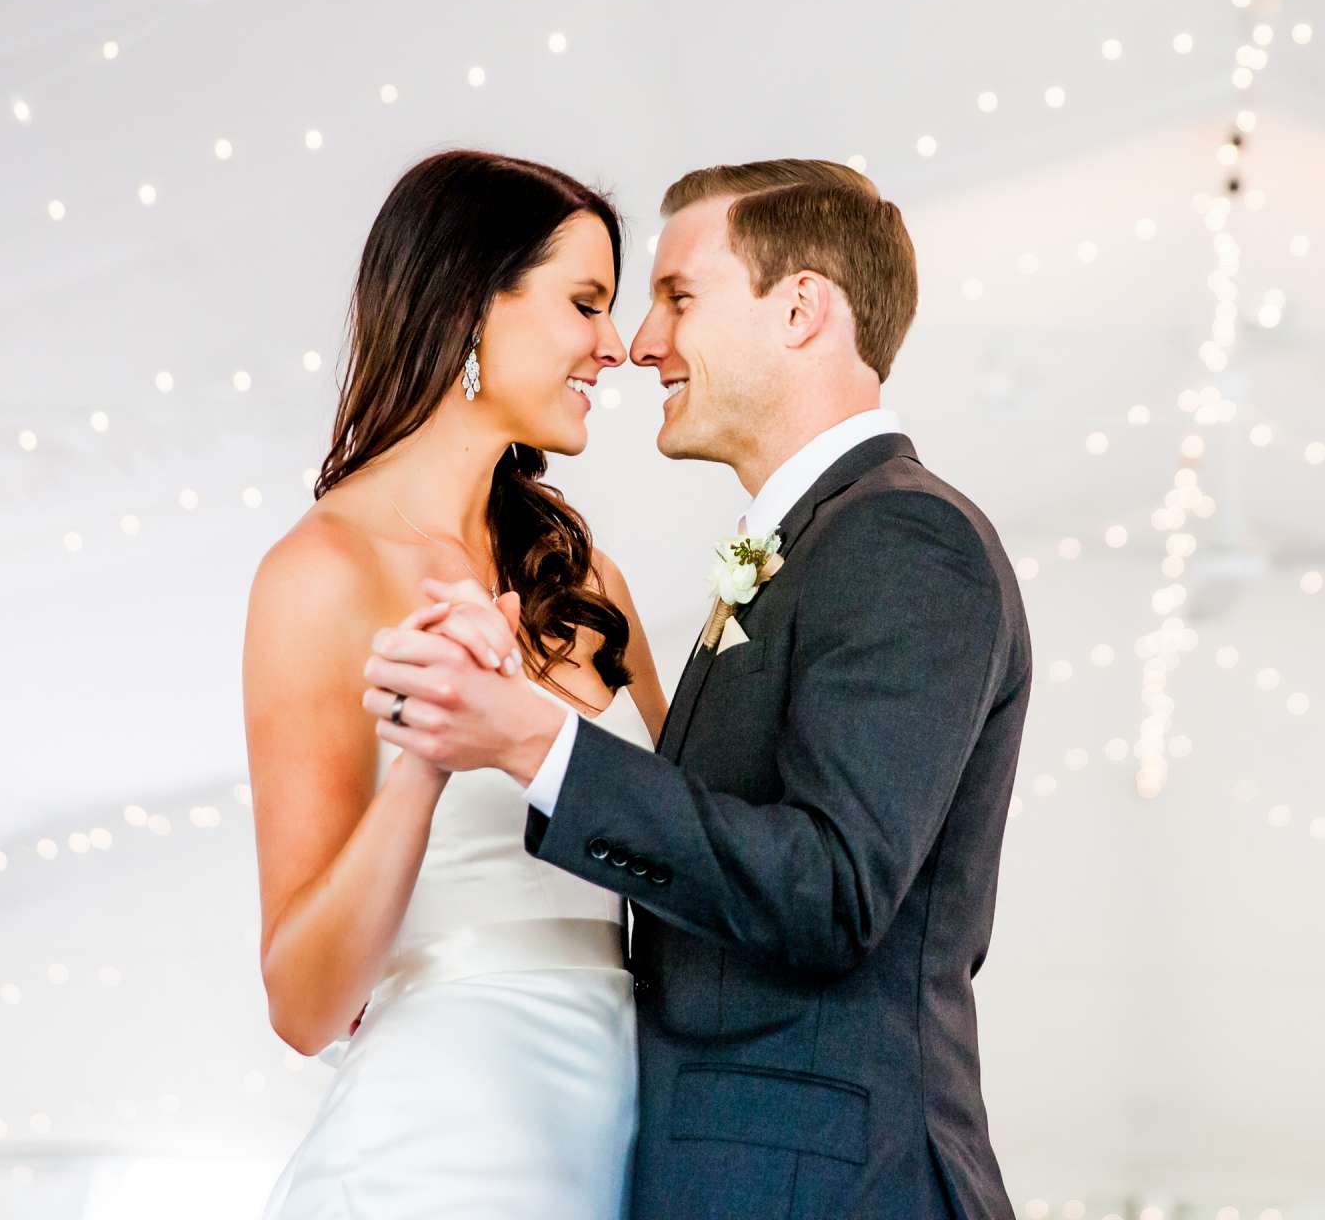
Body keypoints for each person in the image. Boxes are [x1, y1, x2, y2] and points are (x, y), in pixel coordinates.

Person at [368, 159, 1031, 1218]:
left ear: (802, 308)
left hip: (835, 1187)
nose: (640, 342)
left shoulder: (906, 537)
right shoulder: (814, 545)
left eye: (678, 296)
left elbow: (830, 891)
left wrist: (537, 746)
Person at [244, 149, 667, 1218]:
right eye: (585, 304)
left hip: (632, 1134)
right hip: (445, 1150)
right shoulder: (318, 577)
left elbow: (700, 845)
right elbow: (303, 1003)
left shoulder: (585, 580)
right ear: (473, 306)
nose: (614, 347)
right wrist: (426, 760)